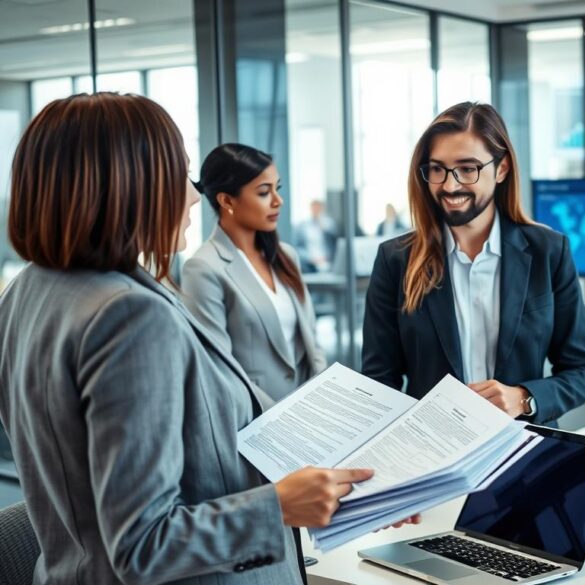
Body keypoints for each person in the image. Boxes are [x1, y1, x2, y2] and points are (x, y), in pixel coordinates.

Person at [0, 93, 418, 585]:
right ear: (128, 184)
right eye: (178, 174)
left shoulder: (29, 290)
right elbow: (142, 546)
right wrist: (279, 506)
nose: (193, 195)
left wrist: (344, 485)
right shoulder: (128, 316)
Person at [362, 102, 585, 424]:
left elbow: (583, 372)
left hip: (523, 449)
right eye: (437, 169)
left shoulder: (549, 251)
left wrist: (524, 398)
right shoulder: (396, 259)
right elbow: (379, 379)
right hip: (430, 452)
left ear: (501, 169)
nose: (449, 185)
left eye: (467, 168)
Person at [182, 144, 326, 406]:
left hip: (310, 416)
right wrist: (279, 420)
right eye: (263, 192)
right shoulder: (203, 268)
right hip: (257, 423)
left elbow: (311, 343)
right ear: (226, 200)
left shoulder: (286, 256)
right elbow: (220, 370)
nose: (277, 200)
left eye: (277, 188)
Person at [293, 199, 338, 272]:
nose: (316, 210)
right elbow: (298, 247)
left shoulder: (329, 224)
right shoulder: (303, 226)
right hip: (310, 262)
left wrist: (323, 228)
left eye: (318, 208)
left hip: (327, 261)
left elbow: (334, 244)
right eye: (314, 208)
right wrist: (310, 258)